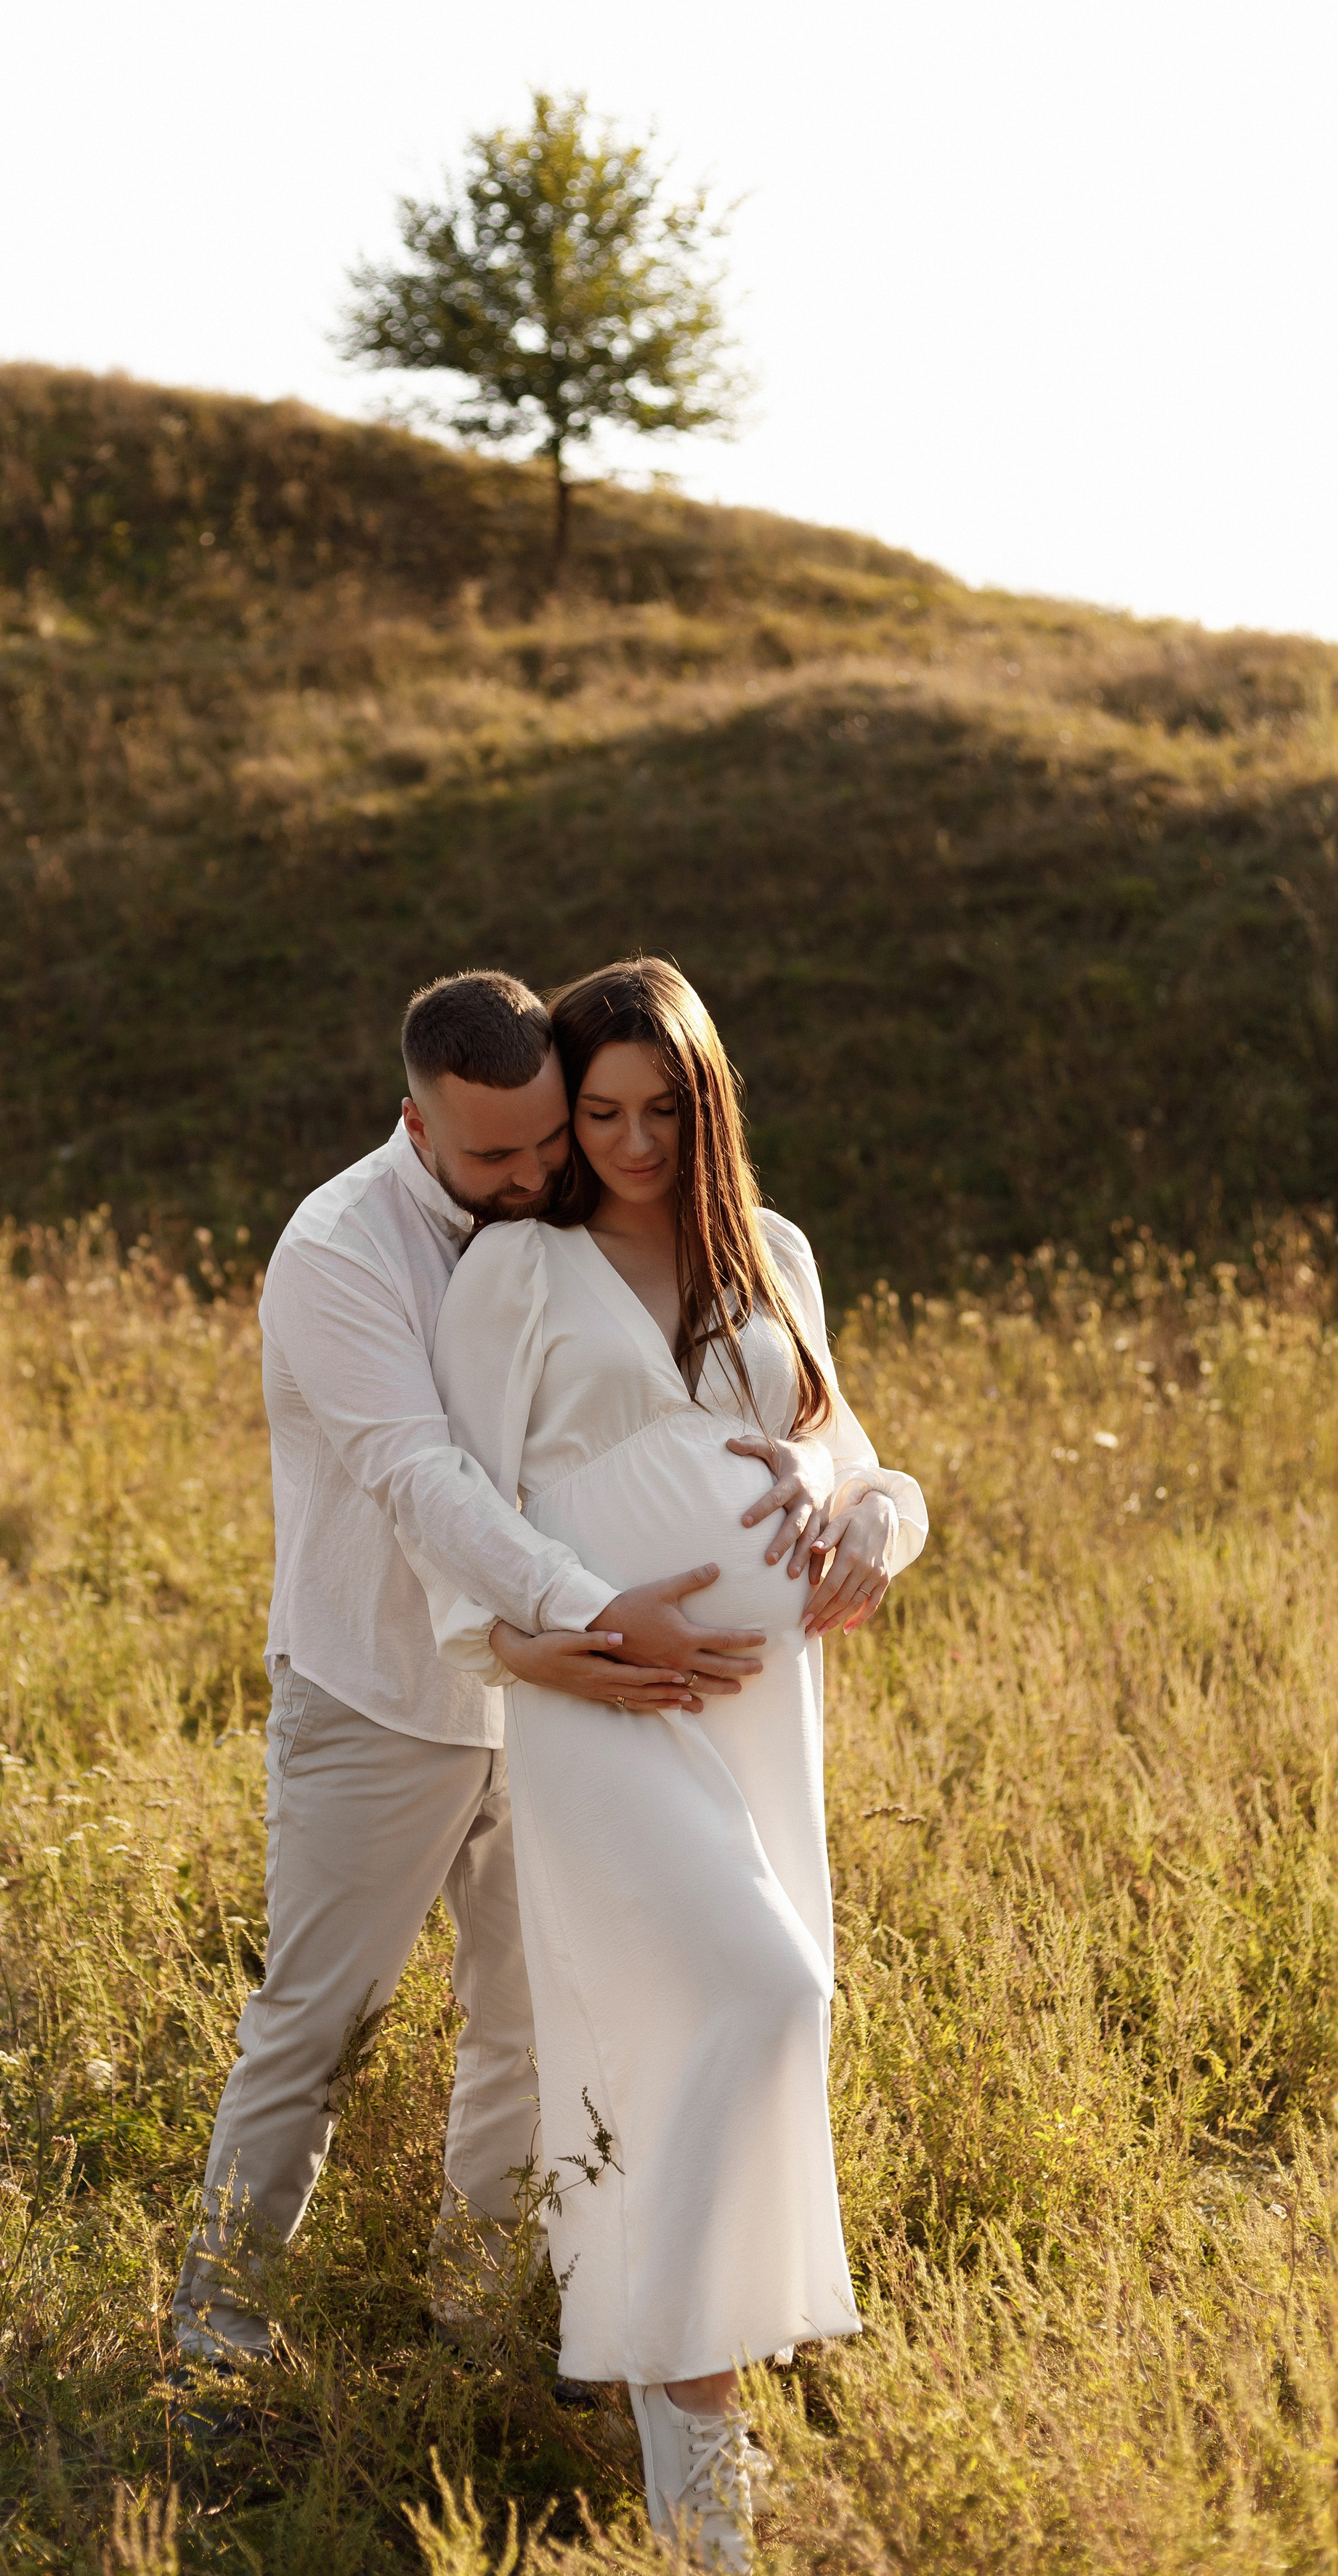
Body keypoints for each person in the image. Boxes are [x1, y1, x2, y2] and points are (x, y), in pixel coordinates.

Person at [169, 970, 833, 2381]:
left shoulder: (551, 1220)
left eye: (548, 1139)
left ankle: (472, 2319)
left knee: (525, 2026)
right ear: (410, 1123)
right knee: (317, 2025)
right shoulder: (339, 1252)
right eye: (494, 1155)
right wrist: (596, 1617)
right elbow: (430, 1482)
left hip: (556, 1706)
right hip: (383, 1695)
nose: (535, 1173)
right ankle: (212, 2349)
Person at [423, 958, 928, 2569]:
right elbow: (457, 1499)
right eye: (598, 1112)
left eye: (661, 1109)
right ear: (563, 1116)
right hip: (605, 1710)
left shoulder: (770, 1256)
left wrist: (876, 1518)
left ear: (705, 1105)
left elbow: (847, 1452)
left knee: (705, 2038)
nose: (630, 1143)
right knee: (758, 1995)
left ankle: (697, 2490)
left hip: (761, 1708)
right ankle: (675, 2400)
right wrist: (527, 1643)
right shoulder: (515, 1270)